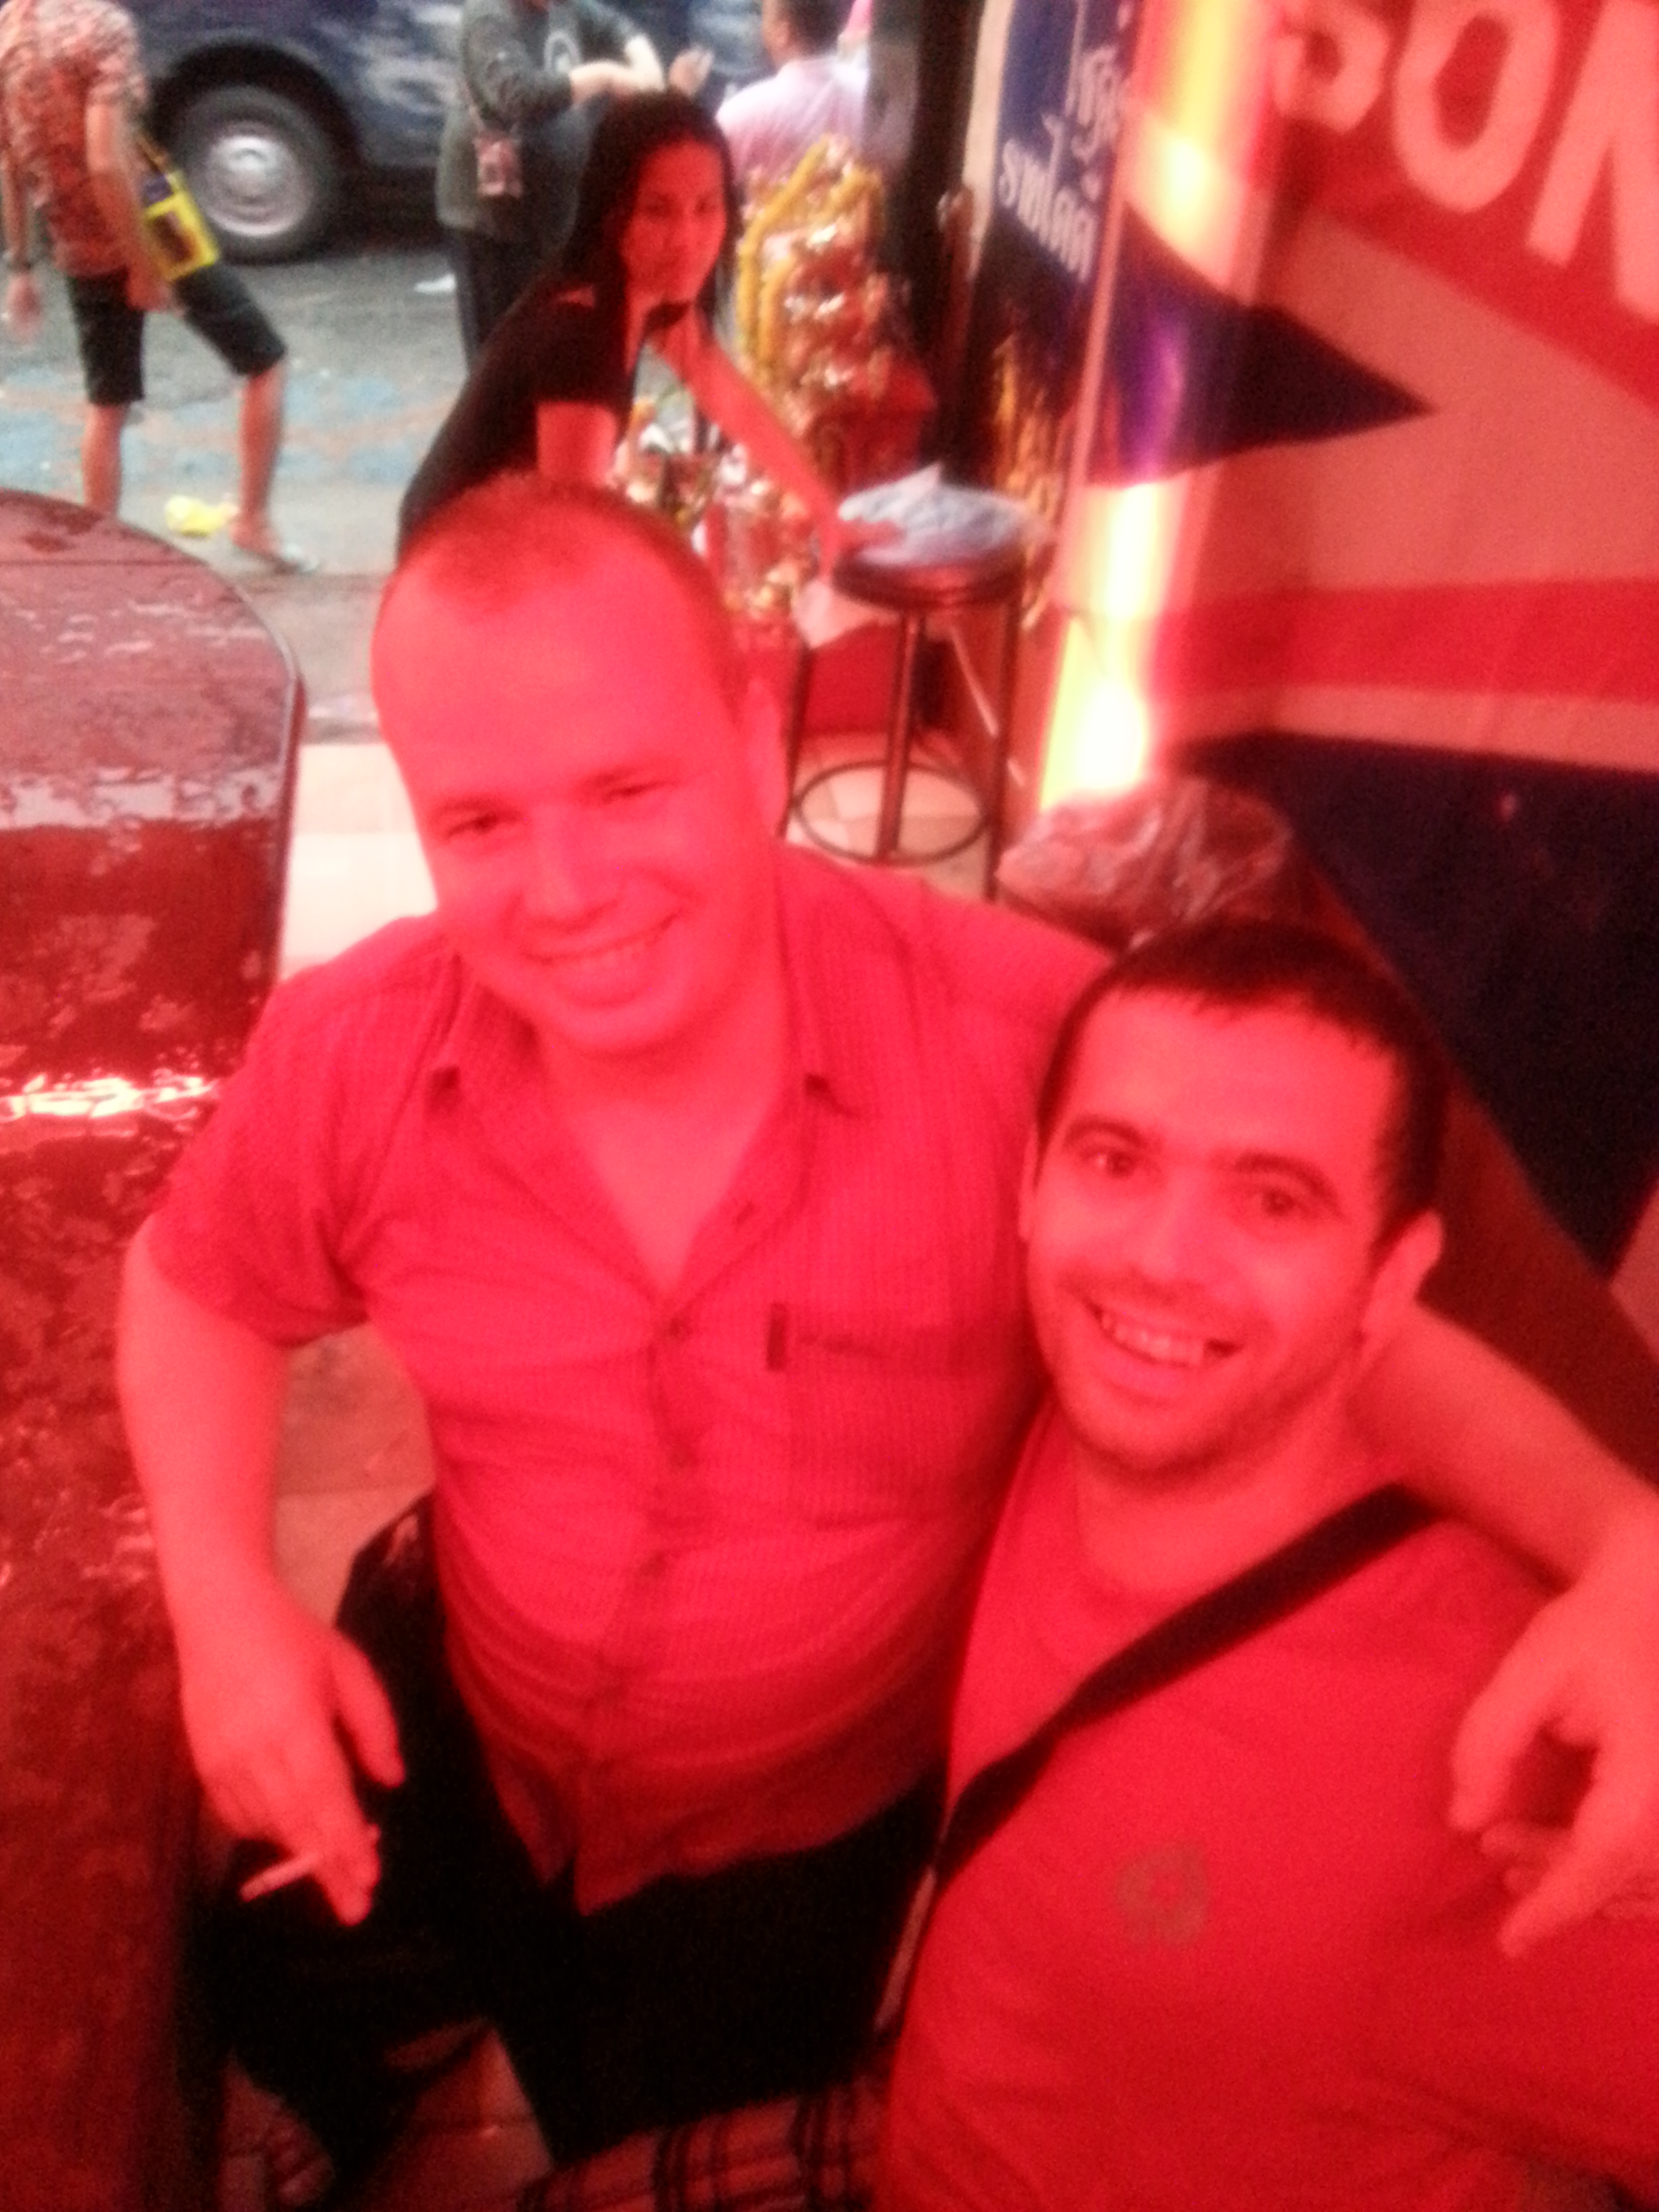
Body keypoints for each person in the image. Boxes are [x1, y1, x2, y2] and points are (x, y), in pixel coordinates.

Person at [118, 480, 1659, 2198]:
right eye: (479, 821)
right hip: (475, 1724)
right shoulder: (359, 1053)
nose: (567, 892)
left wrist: (1624, 1541)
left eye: (627, 790)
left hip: (796, 1852)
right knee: (382, 1978)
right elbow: (202, 1284)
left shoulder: (1020, 1047)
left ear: (751, 724)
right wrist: (224, 1605)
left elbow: (1304, 1321)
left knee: (640, 2114)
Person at [880, 920, 1659, 2212]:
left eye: (1273, 1199)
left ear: (1389, 1279)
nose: (1159, 1257)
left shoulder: (1504, 1753)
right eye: (1115, 1160)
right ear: (1029, 1183)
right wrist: (1622, 1529)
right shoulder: (1083, 1395)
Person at [400, 91, 851, 560]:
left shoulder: (645, 290)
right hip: (456, 565)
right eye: (657, 210)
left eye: (706, 207)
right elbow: (575, 542)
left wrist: (827, 513)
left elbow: (733, 402)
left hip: (510, 544)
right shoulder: (581, 336)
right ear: (613, 213)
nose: (687, 240)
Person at [0, 0, 303, 563]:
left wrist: (21, 267)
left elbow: (10, 164)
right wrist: (144, 267)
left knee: (107, 407)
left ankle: (102, 553)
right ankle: (253, 521)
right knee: (266, 362)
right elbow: (106, 163)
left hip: (77, 246)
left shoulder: (8, 31)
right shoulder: (100, 27)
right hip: (156, 235)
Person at [436, 0, 692, 365]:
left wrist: (644, 63)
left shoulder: (566, 7)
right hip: (493, 223)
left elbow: (616, 27)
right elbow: (517, 96)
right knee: (499, 358)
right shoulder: (486, 15)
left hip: (554, 211)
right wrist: (606, 76)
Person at [716, 0, 865, 188]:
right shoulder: (876, 97)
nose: (760, 28)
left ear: (782, 33)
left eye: (763, 18)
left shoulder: (739, 115)